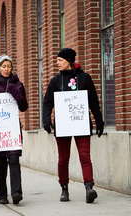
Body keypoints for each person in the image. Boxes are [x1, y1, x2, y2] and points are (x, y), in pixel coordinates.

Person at [43, 48, 104, 203]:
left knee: (85, 157)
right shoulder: (55, 80)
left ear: (69, 61)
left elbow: (93, 102)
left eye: (60, 60)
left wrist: (99, 120)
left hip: (81, 124)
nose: (57, 63)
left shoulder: (85, 78)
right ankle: (64, 188)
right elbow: (47, 102)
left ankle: (89, 187)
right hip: (63, 125)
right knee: (63, 159)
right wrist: (46, 120)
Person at [0, 55, 28, 205]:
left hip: (13, 129)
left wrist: (14, 92)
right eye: (3, 66)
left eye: (9, 66)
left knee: (14, 159)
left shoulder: (18, 84)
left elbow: (24, 107)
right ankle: (2, 194)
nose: (6, 69)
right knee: (0, 163)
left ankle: (16, 193)